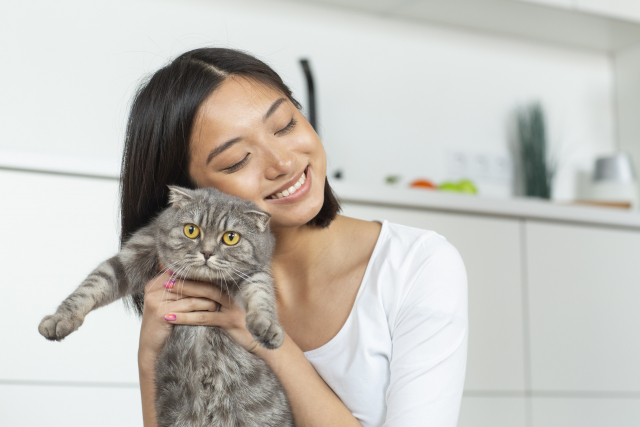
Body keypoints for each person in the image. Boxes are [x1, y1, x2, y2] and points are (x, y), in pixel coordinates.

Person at [122, 48, 468, 427]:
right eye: (238, 160)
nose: (283, 163)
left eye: (285, 125)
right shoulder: (199, 300)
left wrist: (267, 341)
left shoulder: (416, 266)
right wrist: (149, 360)